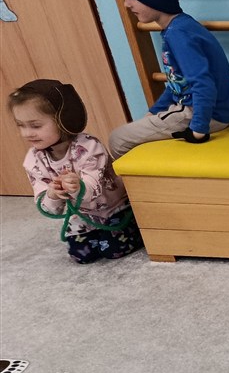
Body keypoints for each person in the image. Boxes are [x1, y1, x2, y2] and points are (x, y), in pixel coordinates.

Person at [108, 0, 229, 158]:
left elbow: (203, 83)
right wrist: (153, 112)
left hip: (200, 114)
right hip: (200, 111)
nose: (126, 4)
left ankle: (121, 182)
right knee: (132, 132)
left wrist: (199, 129)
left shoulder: (179, 34)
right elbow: (178, 85)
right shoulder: (179, 28)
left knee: (118, 139)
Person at [9, 79, 142, 263]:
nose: (27, 133)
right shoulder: (33, 160)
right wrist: (52, 194)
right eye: (21, 125)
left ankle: (135, 224)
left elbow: (93, 187)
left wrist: (78, 187)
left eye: (36, 126)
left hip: (115, 209)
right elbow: (48, 208)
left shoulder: (88, 147)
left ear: (64, 120)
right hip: (83, 216)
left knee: (112, 249)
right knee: (80, 255)